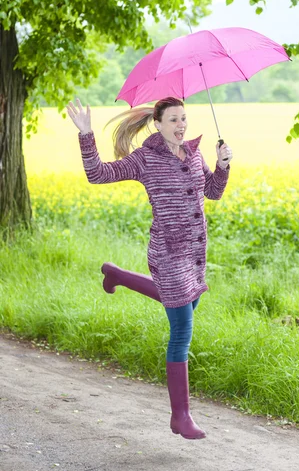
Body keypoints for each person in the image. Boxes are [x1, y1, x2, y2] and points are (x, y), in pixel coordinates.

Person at [66, 96, 232, 440]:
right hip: (167, 253)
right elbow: (98, 174)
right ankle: (180, 416)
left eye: (183, 119)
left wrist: (223, 165)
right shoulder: (146, 159)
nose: (181, 125)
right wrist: (86, 134)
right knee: (182, 329)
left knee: (182, 305)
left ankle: (118, 275)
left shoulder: (195, 152)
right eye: (173, 120)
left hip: (195, 254)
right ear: (157, 124)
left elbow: (213, 192)